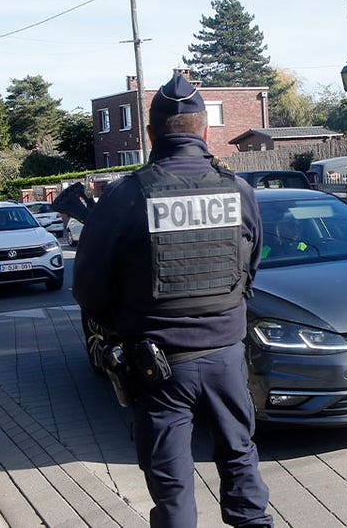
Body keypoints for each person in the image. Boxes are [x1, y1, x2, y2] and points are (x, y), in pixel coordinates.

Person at [73, 73, 272, 528]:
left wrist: (124, 323)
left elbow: (87, 288)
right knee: (241, 461)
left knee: (172, 484)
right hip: (226, 354)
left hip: (157, 362)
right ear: (205, 131)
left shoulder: (127, 194)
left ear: (149, 134)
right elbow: (252, 262)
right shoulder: (238, 190)